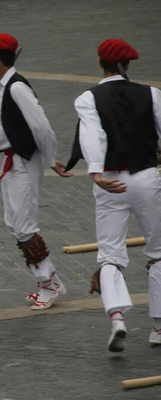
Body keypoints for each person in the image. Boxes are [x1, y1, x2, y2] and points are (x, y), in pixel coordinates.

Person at [0, 33, 72, 310]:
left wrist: (49, 159)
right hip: (11, 161)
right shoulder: (3, 85)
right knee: (14, 224)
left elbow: (42, 127)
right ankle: (48, 280)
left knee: (24, 227)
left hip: (23, 161)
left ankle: (50, 284)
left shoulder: (17, 87)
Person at [65, 38, 161, 352]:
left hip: (109, 181)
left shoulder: (87, 98)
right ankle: (159, 327)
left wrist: (95, 171)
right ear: (127, 65)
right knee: (159, 250)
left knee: (109, 255)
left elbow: (92, 134)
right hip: (146, 177)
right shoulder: (152, 94)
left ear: (100, 64)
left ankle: (117, 316)